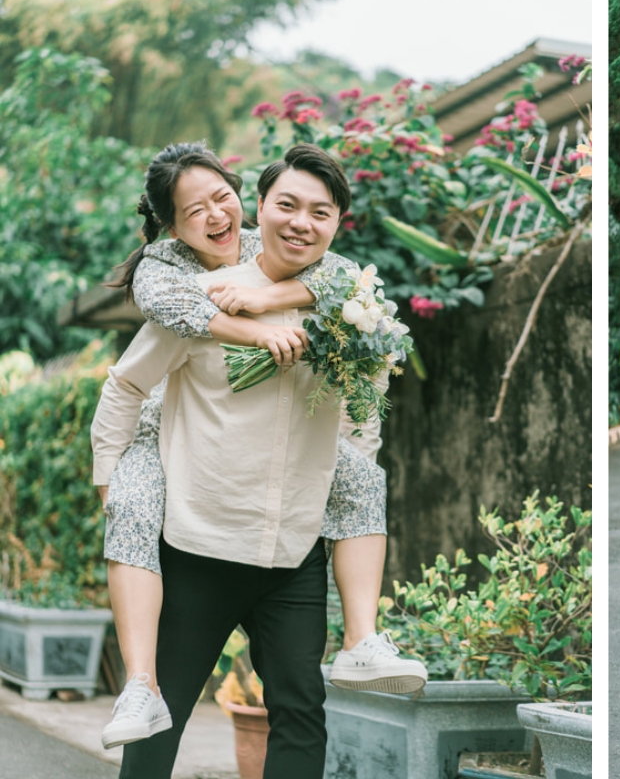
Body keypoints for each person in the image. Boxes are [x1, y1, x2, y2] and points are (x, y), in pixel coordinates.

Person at [91, 144, 398, 778]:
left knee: (301, 716)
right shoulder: (201, 298)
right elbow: (125, 383)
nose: (300, 222)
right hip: (198, 545)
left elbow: (363, 405)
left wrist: (351, 466)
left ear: (338, 220)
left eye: (319, 211)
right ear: (262, 207)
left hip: (291, 555)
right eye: (286, 205)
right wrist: (109, 483)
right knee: (156, 732)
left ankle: (363, 642)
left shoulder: (348, 301)